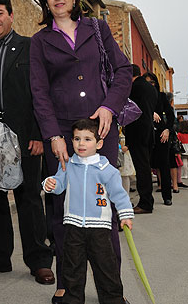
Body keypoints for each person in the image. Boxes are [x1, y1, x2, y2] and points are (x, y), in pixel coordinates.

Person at [29, 0, 132, 303]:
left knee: (104, 210)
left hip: (100, 129)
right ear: (45, 2)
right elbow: (39, 91)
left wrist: (109, 107)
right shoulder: (41, 41)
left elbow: (123, 70)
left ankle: (111, 292)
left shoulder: (97, 28)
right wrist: (52, 136)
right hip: (62, 133)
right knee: (62, 207)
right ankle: (67, 284)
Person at [0, 0, 54, 285]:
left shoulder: (30, 48)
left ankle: (39, 261)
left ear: (11, 16)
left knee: (29, 197)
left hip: (24, 134)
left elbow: (41, 92)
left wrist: (38, 134)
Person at [43, 118, 133, 304]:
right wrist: (50, 183)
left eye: (87, 139)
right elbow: (58, 185)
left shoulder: (107, 170)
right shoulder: (67, 165)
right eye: (77, 139)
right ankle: (72, 299)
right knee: (72, 269)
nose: (81, 143)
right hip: (73, 226)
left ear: (99, 143)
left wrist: (125, 215)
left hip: (99, 229)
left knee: (105, 268)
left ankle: (113, 299)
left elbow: (119, 195)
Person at [123, 64, 158, 214]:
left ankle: (145, 203)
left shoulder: (135, 87)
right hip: (148, 131)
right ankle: (146, 200)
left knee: (142, 169)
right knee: (145, 168)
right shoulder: (150, 88)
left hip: (137, 132)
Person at [144, 72, 175, 205]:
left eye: (152, 82)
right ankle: (145, 198)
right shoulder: (141, 97)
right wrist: (150, 113)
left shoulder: (161, 97)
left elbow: (170, 115)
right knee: (145, 167)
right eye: (147, 82)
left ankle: (167, 196)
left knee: (164, 165)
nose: (150, 85)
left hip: (162, 135)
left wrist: (168, 129)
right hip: (146, 135)